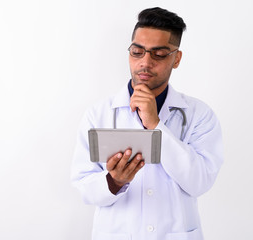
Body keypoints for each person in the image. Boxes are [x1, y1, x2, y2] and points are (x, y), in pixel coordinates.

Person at [71, 7, 223, 240]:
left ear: (176, 59)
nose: (145, 62)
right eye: (137, 51)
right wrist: (114, 181)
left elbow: (199, 182)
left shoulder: (199, 115)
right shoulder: (98, 114)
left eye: (159, 54)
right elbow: (84, 188)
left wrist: (155, 124)